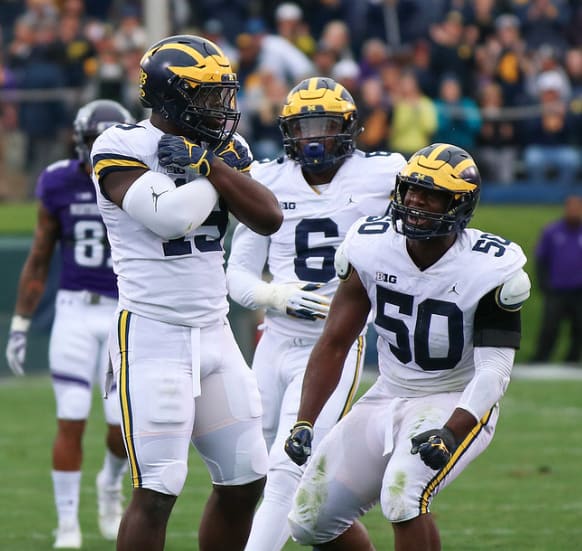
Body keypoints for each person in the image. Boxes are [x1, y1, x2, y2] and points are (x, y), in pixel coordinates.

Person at [284, 143, 531, 550]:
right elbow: (334, 342)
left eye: (431, 194)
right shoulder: (370, 245)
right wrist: (305, 420)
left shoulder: (492, 268)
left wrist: (451, 433)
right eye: (411, 189)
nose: (415, 201)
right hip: (389, 391)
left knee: (403, 496)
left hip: (454, 396)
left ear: (459, 205)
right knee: (310, 521)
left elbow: (493, 372)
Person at [89, 34, 283, 551]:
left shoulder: (223, 150)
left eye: (224, 94)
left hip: (214, 331)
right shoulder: (118, 145)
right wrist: (215, 174)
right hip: (152, 334)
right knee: (158, 489)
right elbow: (170, 218)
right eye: (206, 95)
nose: (221, 107)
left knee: (247, 479)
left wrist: (208, 164)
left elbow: (269, 217)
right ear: (169, 96)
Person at [226, 76, 406, 551]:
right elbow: (238, 278)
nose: (313, 138)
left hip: (334, 344)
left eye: (324, 126)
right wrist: (277, 295)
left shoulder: (385, 175)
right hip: (275, 340)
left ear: (347, 128)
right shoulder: (267, 179)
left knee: (288, 468)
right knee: (256, 471)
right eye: (303, 127)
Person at [5, 99, 135, 548]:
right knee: (72, 415)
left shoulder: (139, 180)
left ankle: (110, 485)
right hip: (75, 311)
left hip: (122, 311)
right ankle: (66, 524)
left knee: (123, 427)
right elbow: (40, 256)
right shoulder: (58, 181)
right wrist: (21, 322)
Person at [530, 195, 582, 364]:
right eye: (571, 207)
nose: (574, 211)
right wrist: (544, 284)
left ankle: (573, 359)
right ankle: (541, 358)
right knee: (550, 326)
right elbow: (541, 258)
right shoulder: (552, 231)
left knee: (578, 327)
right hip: (557, 289)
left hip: (578, 291)